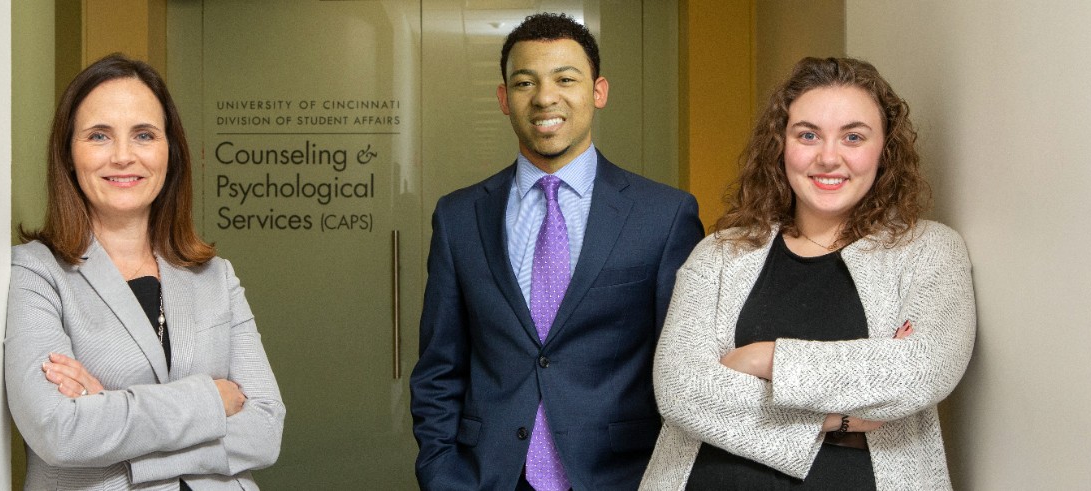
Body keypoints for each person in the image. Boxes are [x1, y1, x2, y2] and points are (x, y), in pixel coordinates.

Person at [639, 57, 976, 490]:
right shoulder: (719, 254)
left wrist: (767, 358)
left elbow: (920, 370)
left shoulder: (930, 251)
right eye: (808, 135)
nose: (828, 157)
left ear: (885, 149)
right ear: (780, 144)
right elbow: (680, 389)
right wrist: (840, 419)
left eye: (853, 136)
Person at [410, 13, 704, 490]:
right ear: (505, 99)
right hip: (489, 478)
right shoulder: (459, 217)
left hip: (620, 477)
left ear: (598, 91)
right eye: (526, 82)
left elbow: (684, 368)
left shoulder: (664, 216)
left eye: (566, 79)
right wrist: (441, 474)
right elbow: (440, 368)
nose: (545, 97)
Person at [5, 54, 284, 491]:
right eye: (98, 135)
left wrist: (108, 411)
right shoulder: (36, 272)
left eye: (144, 135)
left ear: (169, 152)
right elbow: (60, 431)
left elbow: (266, 431)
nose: (122, 156)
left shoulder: (215, 276)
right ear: (69, 153)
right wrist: (212, 399)